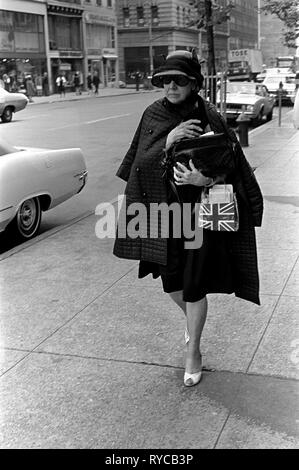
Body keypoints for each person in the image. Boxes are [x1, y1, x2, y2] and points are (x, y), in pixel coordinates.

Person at [113, 50, 263, 388]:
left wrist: (205, 180)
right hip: (164, 215)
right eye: (165, 80)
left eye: (178, 80)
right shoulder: (152, 114)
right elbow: (137, 166)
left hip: (200, 215)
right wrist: (168, 141)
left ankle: (193, 350)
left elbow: (232, 166)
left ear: (193, 83)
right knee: (173, 285)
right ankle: (192, 323)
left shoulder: (210, 114)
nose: (170, 85)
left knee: (195, 285)